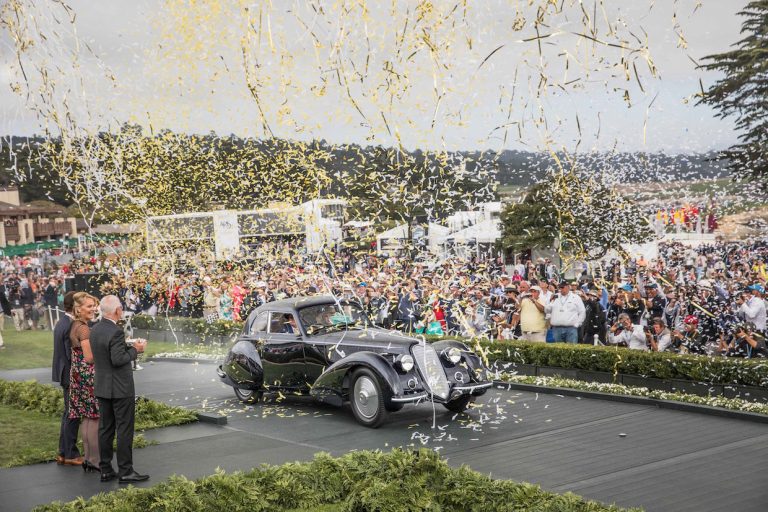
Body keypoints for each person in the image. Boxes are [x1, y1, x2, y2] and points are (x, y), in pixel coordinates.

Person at [91, 295, 148, 484]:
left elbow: (107, 355)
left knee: (105, 428)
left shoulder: (96, 329)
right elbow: (118, 359)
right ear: (117, 311)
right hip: (120, 388)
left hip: (102, 385)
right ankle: (125, 470)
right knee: (124, 428)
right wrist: (136, 351)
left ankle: (105, 469)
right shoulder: (115, 332)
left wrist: (126, 346)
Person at [68, 292, 100, 472]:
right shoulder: (84, 329)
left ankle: (88, 458)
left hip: (78, 377)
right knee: (95, 419)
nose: (93, 309)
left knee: (88, 418)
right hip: (88, 377)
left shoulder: (74, 325)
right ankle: (95, 460)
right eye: (89, 306)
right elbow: (89, 358)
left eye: (94, 305)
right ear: (78, 309)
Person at [51, 291, 82, 466]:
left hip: (64, 372)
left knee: (68, 413)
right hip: (70, 373)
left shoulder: (62, 322)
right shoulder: (70, 325)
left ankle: (63, 452)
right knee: (73, 414)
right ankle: (70, 453)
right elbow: (71, 355)